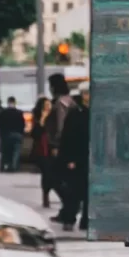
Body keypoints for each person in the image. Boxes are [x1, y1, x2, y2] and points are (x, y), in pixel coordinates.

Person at [46, 73, 77, 224]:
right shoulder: (70, 101)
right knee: (64, 179)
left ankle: (70, 207)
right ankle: (67, 210)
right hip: (70, 145)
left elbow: (61, 126)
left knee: (55, 178)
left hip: (62, 146)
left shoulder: (61, 104)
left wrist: (57, 145)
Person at [58, 87, 90, 232]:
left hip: (93, 158)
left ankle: (86, 220)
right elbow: (67, 137)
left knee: (91, 192)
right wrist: (69, 159)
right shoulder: (75, 113)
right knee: (74, 191)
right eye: (87, 93)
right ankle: (69, 219)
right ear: (83, 95)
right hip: (77, 158)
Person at [31, 96, 55, 207]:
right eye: (46, 105)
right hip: (42, 150)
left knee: (52, 174)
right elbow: (35, 134)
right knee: (46, 174)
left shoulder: (54, 116)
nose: (48, 107)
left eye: (49, 104)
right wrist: (42, 120)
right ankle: (46, 196)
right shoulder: (37, 118)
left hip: (52, 149)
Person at [0, 96, 26, 173]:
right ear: (15, 102)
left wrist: (1, 134)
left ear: (8, 102)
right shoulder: (19, 113)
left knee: (4, 151)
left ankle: (2, 166)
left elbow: (0, 124)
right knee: (16, 151)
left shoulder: (3, 113)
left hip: (6, 134)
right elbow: (23, 124)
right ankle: (14, 166)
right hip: (17, 134)